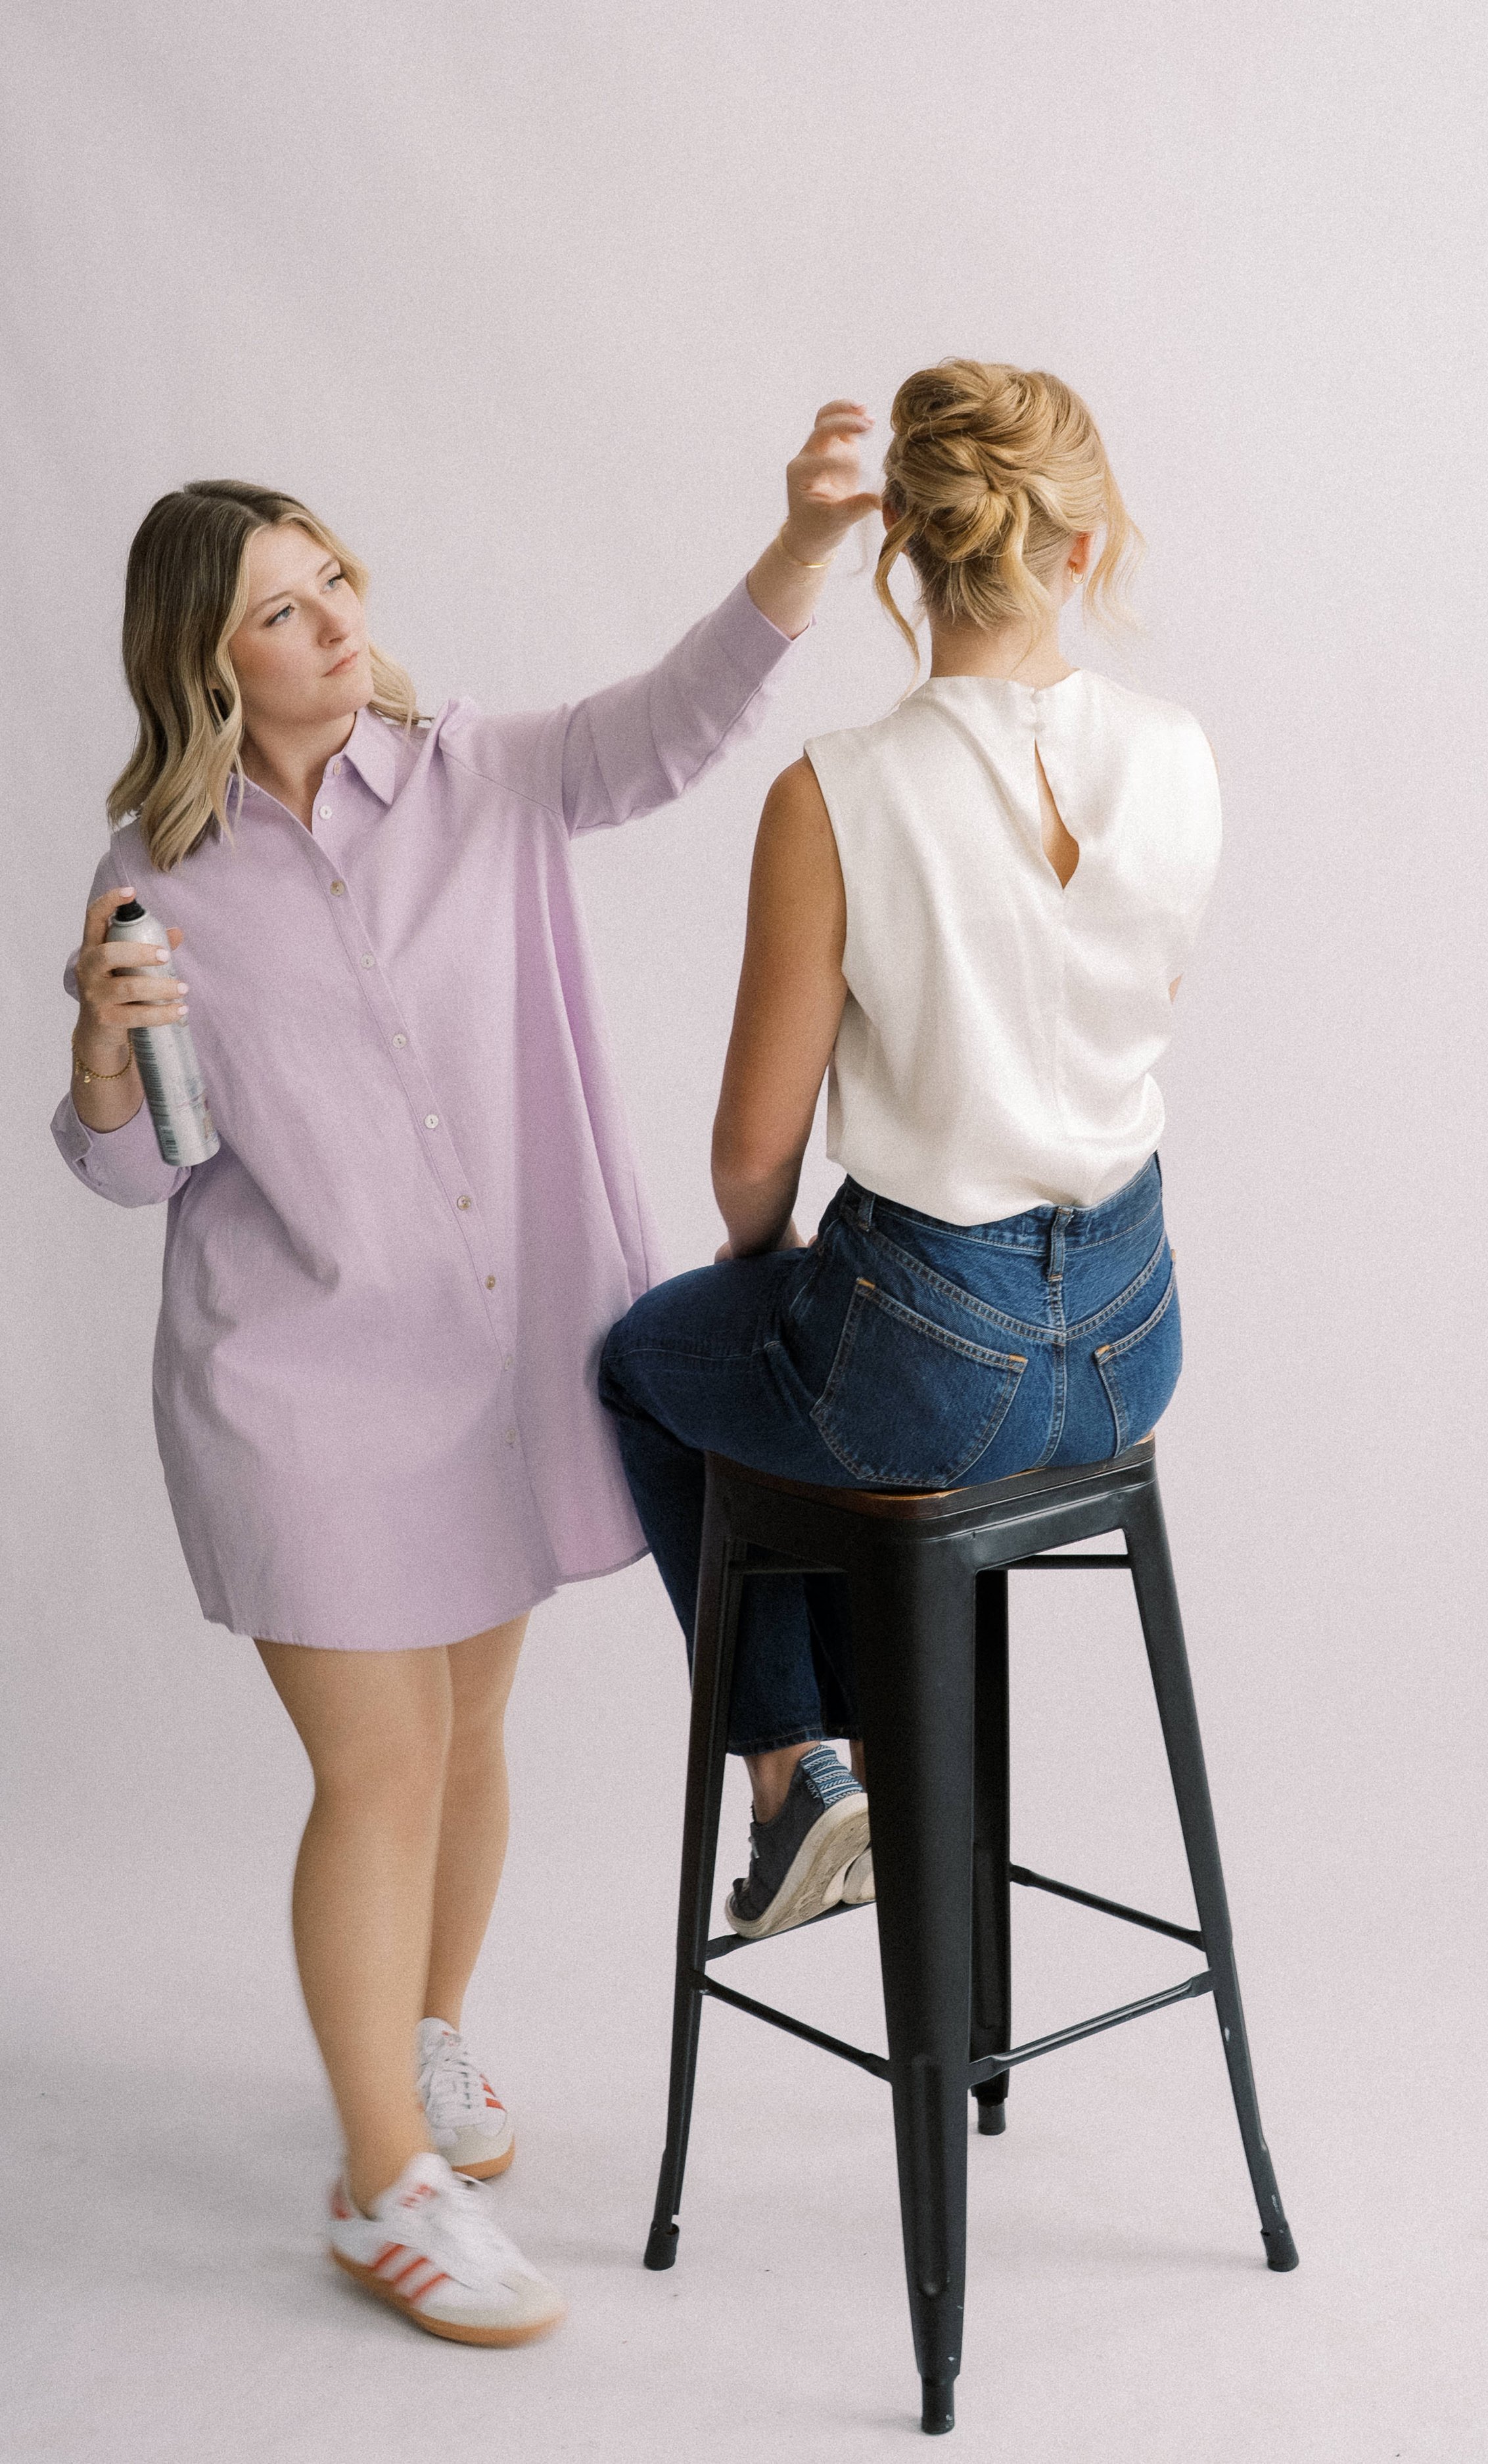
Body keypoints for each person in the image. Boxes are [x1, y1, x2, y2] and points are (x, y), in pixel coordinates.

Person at [52, 403, 879, 2346]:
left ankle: (423, 2048)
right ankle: (383, 2188)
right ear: (204, 664)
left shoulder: (479, 772)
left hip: (499, 1371)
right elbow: (128, 1162)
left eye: (332, 572)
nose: (334, 620)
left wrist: (800, 546)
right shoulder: (154, 873)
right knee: (381, 1761)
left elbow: (670, 725)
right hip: (299, 1393)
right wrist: (98, 1045)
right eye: (279, 608)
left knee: (473, 1734)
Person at [599, 358, 1221, 1947]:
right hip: (1132, 1347)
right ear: (1082, 546)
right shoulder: (1177, 756)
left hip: (926, 1362)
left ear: (902, 558)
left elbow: (753, 1152)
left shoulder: (838, 793)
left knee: (649, 1366)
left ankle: (802, 1775)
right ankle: (888, 1803)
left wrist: (767, 1269)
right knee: (800, 1377)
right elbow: (1126, 1011)